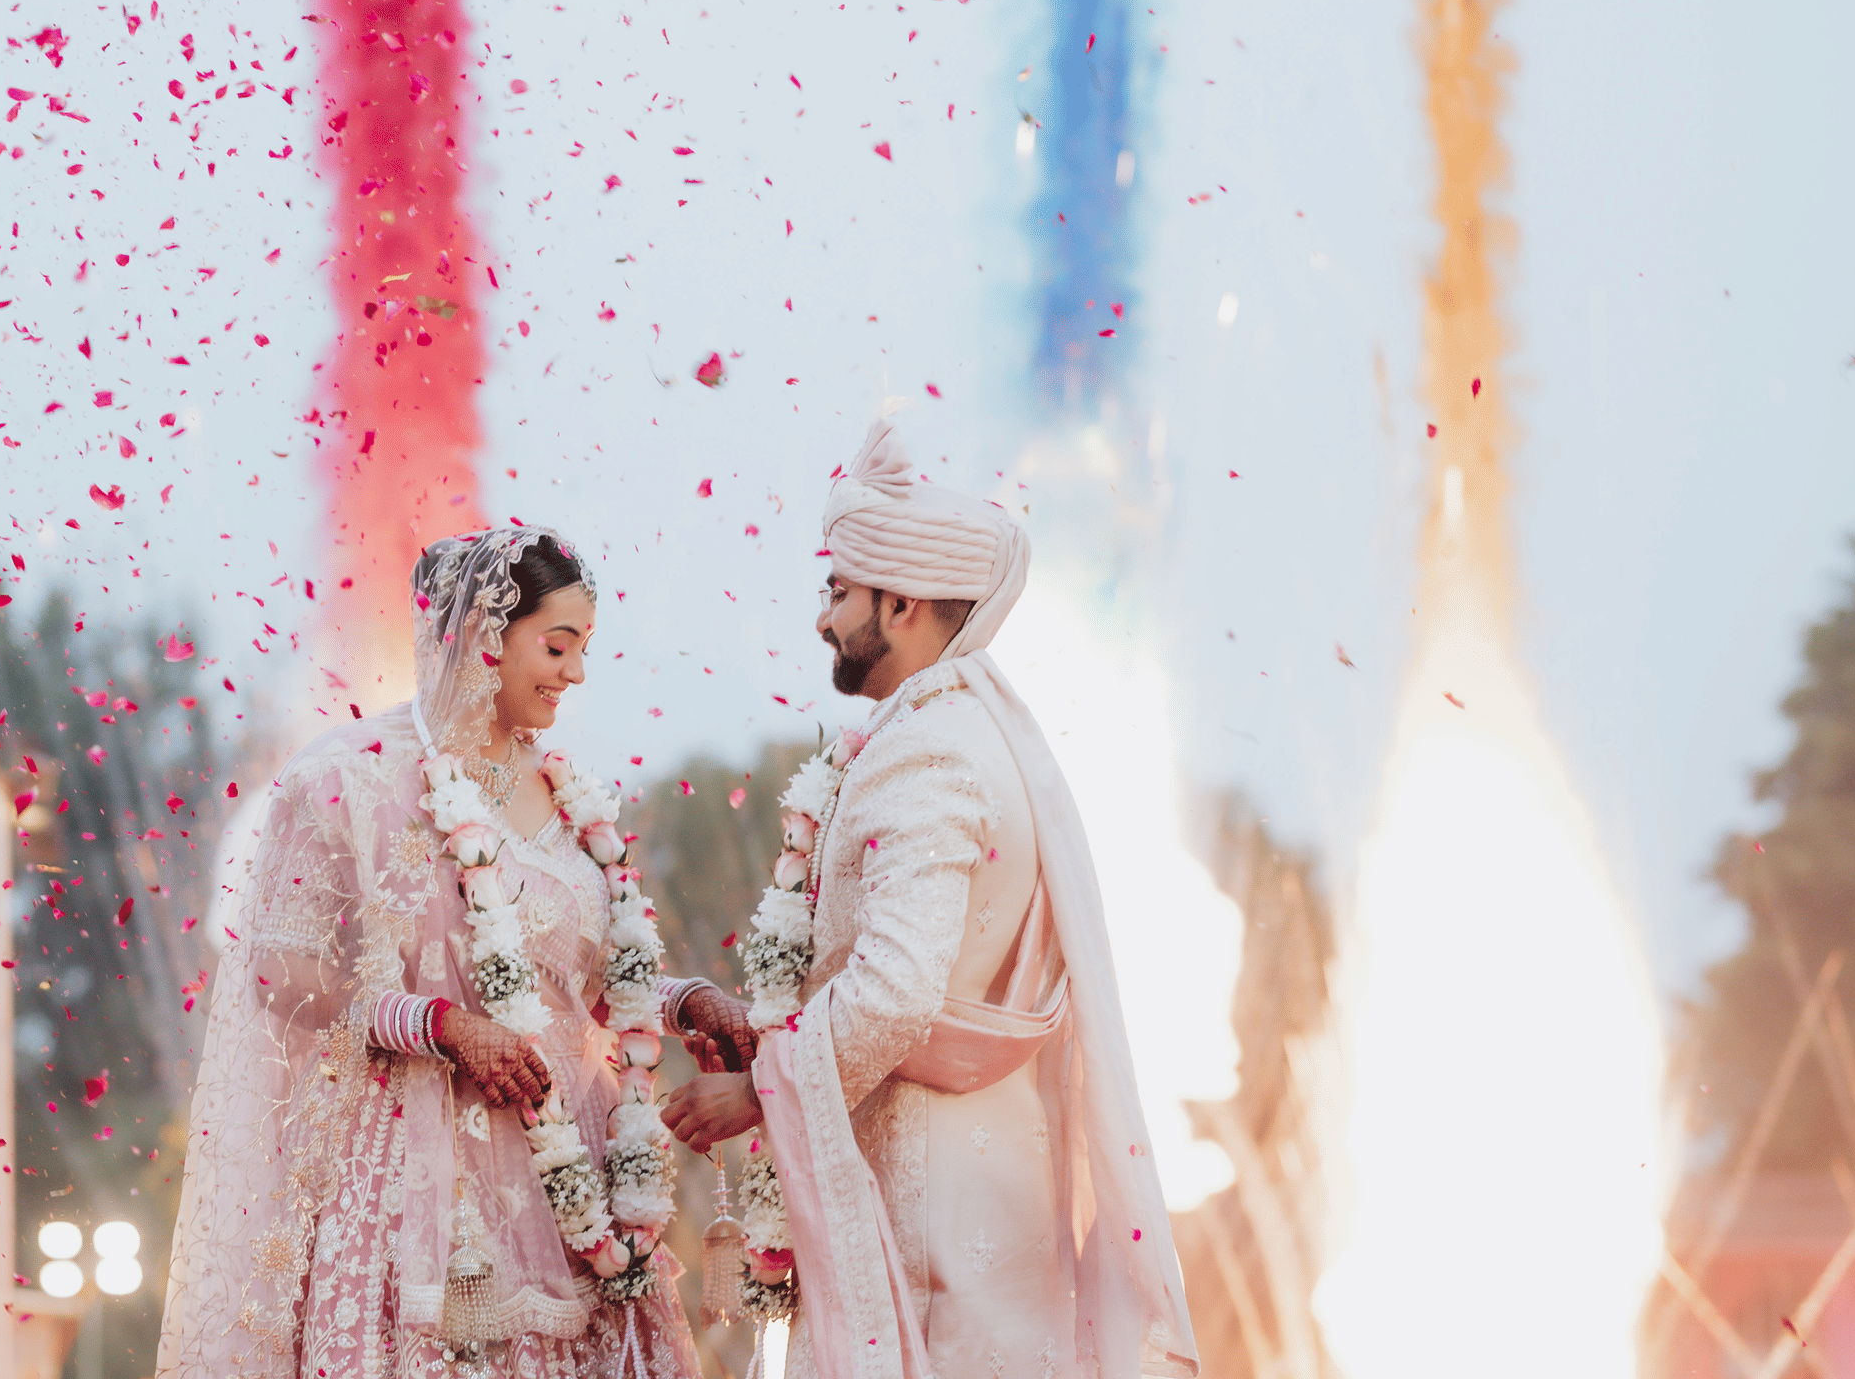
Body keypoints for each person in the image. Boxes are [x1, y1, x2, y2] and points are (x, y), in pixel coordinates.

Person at [661, 421, 1199, 1379]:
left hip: (927, 1214)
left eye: (837, 593)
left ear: (900, 602)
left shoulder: (926, 755)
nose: (821, 620)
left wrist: (756, 1091)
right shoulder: (972, 731)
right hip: (984, 1184)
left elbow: (898, 991)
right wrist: (769, 1027)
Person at [158, 526, 714, 1379]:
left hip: (576, 1182)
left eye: (584, 648)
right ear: (485, 634)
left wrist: (690, 1003)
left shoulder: (566, 794)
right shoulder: (350, 776)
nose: (576, 673)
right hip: (420, 1180)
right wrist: (439, 1025)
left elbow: (592, 987)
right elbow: (276, 969)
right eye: (557, 646)